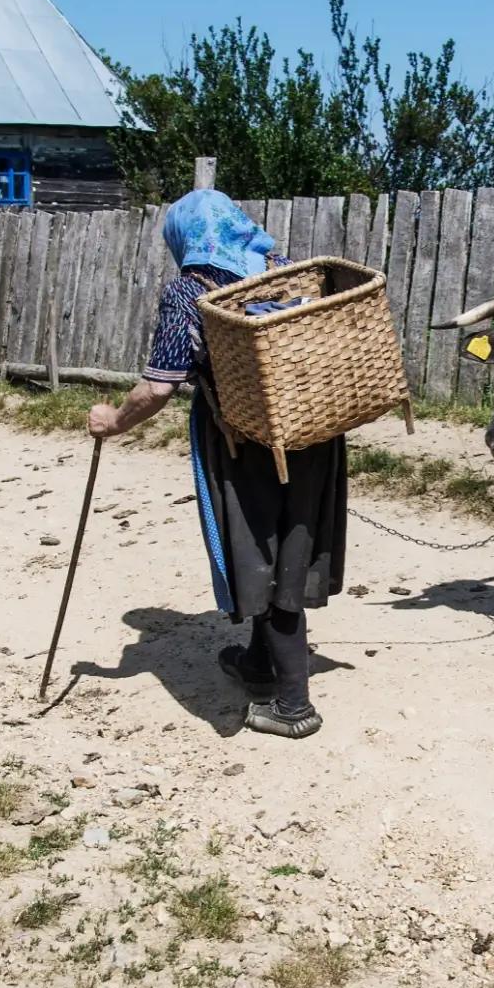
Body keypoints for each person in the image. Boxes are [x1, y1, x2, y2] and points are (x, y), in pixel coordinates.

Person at [85, 190, 348, 738]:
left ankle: (294, 707)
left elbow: (159, 386)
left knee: (260, 553)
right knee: (291, 543)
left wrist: (112, 422)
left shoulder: (189, 291)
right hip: (316, 435)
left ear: (184, 238)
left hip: (245, 443)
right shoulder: (285, 271)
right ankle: (257, 664)